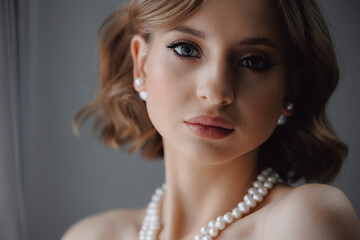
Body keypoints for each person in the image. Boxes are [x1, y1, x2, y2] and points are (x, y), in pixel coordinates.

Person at [62, 0, 360, 239]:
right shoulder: (92, 235)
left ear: (289, 88)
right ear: (141, 66)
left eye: (253, 62)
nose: (217, 92)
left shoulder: (306, 220)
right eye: (186, 49)